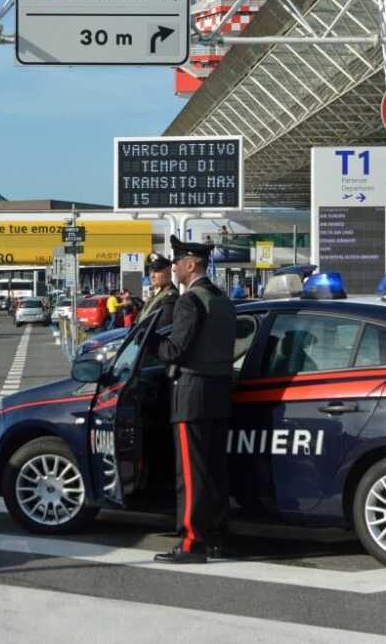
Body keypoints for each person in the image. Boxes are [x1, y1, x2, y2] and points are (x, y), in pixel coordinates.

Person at [152, 235, 236, 564]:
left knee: (190, 475)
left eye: (177, 263)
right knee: (215, 471)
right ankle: (216, 537)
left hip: (192, 395)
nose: (173, 268)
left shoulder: (190, 301)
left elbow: (175, 349)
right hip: (219, 393)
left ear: (190, 265)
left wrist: (150, 344)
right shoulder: (222, 300)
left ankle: (191, 543)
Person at [137, 252, 178, 328]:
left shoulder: (170, 296)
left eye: (156, 271)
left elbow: (162, 327)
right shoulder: (155, 294)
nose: (152, 275)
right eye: (150, 271)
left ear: (168, 272)